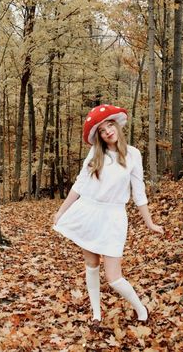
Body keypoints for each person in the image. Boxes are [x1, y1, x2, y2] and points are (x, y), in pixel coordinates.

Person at [53, 104, 163, 327]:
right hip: (89, 212)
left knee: (114, 277)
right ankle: (96, 314)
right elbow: (80, 185)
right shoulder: (96, 153)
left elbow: (138, 192)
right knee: (91, 263)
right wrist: (61, 211)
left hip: (114, 218)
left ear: (117, 125)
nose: (108, 132)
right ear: (100, 136)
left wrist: (150, 222)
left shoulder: (133, 154)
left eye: (110, 126)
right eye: (102, 130)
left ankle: (142, 311)